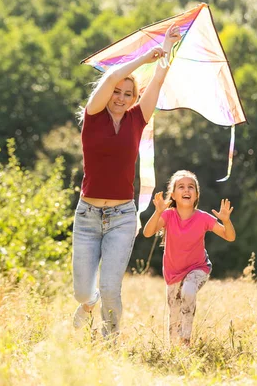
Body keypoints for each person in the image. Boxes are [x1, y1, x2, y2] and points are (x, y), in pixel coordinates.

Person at [72, 24, 182, 337]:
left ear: (135, 97)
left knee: (110, 287)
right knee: (83, 292)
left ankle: (111, 342)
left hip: (121, 216)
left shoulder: (137, 119)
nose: (121, 97)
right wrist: (143, 58)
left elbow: (158, 81)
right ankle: (87, 302)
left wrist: (166, 47)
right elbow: (109, 78)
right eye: (117, 92)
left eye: (128, 94)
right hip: (88, 217)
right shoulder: (93, 117)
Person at [142, 170, 236, 346]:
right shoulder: (168, 216)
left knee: (189, 290)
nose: (187, 190)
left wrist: (226, 221)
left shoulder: (203, 218)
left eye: (191, 187)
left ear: (196, 195)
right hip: (173, 274)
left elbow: (229, 236)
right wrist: (158, 212)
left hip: (199, 268)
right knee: (174, 314)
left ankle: (186, 336)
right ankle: (177, 349)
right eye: (181, 187)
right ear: (174, 195)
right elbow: (147, 233)